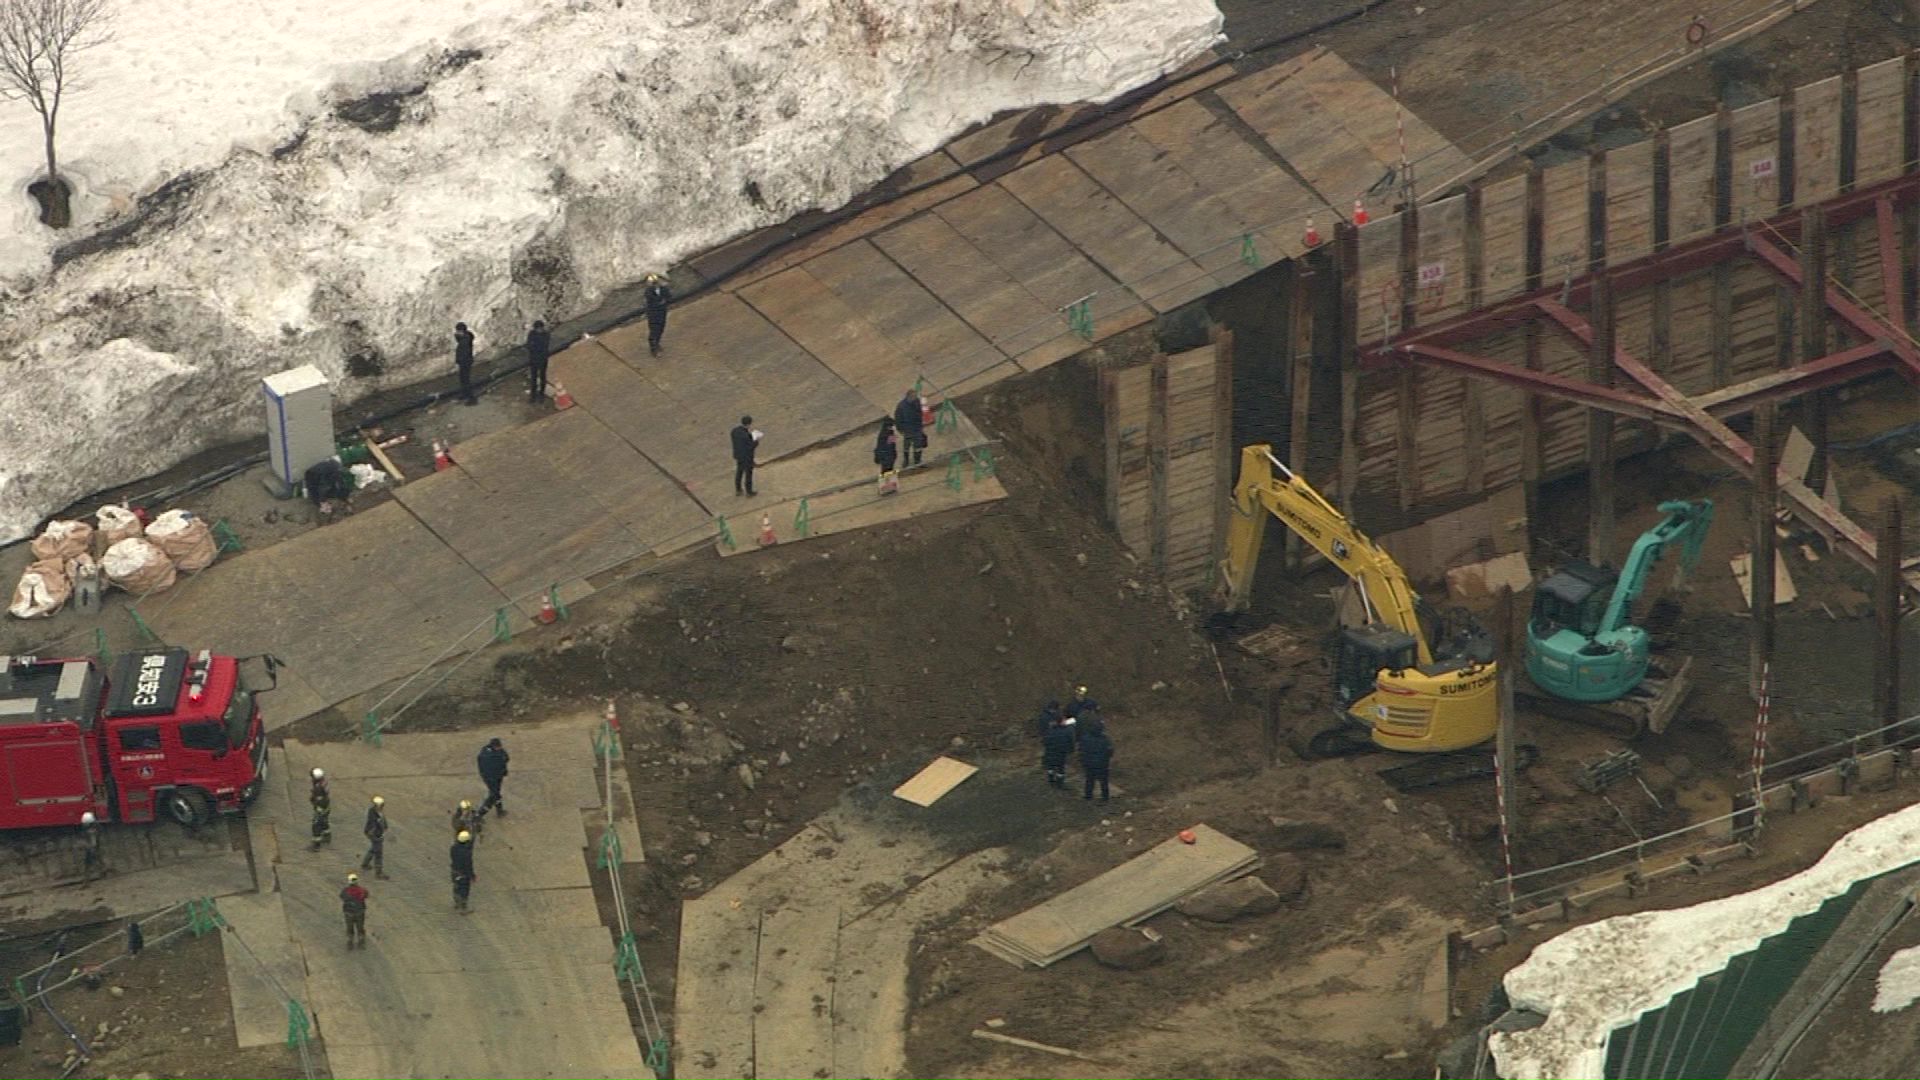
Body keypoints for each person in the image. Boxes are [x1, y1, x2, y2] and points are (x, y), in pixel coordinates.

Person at [1079, 724, 1114, 802]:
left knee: (1089, 780)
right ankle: (1105, 797)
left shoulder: (1085, 738)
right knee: (1104, 781)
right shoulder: (1105, 740)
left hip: (1089, 763)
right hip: (1102, 764)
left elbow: (1081, 750)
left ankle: (1088, 795)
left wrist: (1083, 760)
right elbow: (1110, 752)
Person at [1040, 713, 1075, 789]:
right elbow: (1070, 742)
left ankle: (1051, 780)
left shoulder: (1049, 730)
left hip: (1050, 752)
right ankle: (1060, 783)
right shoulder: (1066, 731)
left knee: (1051, 767)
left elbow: (1044, 741)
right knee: (1060, 769)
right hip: (1060, 753)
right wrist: (1071, 750)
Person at [894, 388, 926, 469]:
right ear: (908, 396)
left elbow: (919, 413)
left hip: (917, 428)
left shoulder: (917, 401)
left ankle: (917, 461)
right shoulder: (901, 406)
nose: (915, 398)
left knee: (918, 446)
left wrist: (921, 425)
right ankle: (906, 461)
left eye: (915, 396)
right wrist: (900, 430)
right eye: (913, 397)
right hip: (907, 430)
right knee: (906, 446)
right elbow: (898, 419)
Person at [477, 738, 510, 818]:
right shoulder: (493, 755)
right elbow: (505, 758)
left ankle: (499, 810)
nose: (499, 748)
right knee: (494, 795)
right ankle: (480, 814)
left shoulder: (484, 751)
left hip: (493, 776)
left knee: (496, 793)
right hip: (492, 778)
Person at [644, 273, 673, 356]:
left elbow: (669, 297)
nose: (655, 285)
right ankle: (653, 348)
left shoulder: (664, 289)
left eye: (656, 283)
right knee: (654, 330)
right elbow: (652, 301)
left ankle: (657, 343)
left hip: (662, 312)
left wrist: (664, 301)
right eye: (653, 283)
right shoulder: (648, 292)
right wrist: (661, 302)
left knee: (661, 329)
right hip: (653, 314)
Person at [361, 795, 389, 879]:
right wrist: (375, 835)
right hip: (375, 835)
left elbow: (383, 820)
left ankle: (365, 864)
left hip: (377, 834)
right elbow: (373, 825)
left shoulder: (378, 811)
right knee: (378, 853)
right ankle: (378, 873)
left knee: (373, 849)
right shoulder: (373, 813)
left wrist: (385, 826)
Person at [730, 415, 758, 497]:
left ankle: (738, 489)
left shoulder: (734, 431)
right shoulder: (745, 436)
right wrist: (756, 441)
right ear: (749, 424)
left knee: (739, 472)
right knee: (748, 474)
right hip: (747, 457)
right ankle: (749, 492)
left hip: (738, 455)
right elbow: (750, 446)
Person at [340, 872, 369, 949]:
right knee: (360, 927)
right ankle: (361, 941)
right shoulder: (362, 890)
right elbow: (366, 895)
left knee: (350, 927)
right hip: (360, 912)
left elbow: (342, 897)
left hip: (349, 913)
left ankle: (350, 941)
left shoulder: (345, 891)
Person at [450, 830, 477, 913]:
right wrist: (472, 875)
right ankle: (463, 908)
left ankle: (456, 903)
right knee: (464, 890)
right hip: (463, 874)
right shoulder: (466, 853)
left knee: (456, 886)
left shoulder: (453, 848)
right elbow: (468, 865)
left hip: (454, 871)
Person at [525, 319, 552, 402]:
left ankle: (541, 394)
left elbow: (543, 346)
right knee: (534, 378)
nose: (539, 330)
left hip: (542, 359)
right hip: (534, 359)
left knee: (542, 377)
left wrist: (535, 346)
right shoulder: (532, 334)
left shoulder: (545, 335)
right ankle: (533, 395)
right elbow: (529, 345)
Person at [309, 768, 333, 851]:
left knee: (316, 825)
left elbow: (318, 799)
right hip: (326, 807)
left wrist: (314, 801)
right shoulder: (323, 783)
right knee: (324, 821)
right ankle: (327, 835)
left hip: (321, 808)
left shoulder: (318, 787)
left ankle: (317, 845)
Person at [873, 416, 899, 494]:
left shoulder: (881, 434)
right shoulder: (891, 434)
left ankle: (883, 487)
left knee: (884, 472)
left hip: (884, 456)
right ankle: (890, 486)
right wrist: (894, 454)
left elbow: (879, 446)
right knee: (889, 471)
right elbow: (892, 445)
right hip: (888, 456)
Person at [454, 322, 477, 405]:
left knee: (465, 380)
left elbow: (463, 352)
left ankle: (472, 399)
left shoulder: (465, 340)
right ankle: (464, 394)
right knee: (463, 379)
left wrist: (459, 361)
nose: (456, 332)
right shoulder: (466, 337)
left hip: (465, 362)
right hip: (465, 361)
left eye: (458, 331)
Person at [80, 811, 103, 880]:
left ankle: (87, 879)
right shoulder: (90, 827)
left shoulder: (95, 828)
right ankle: (102, 869)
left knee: (89, 862)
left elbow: (94, 839)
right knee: (94, 860)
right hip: (90, 846)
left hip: (92, 847)